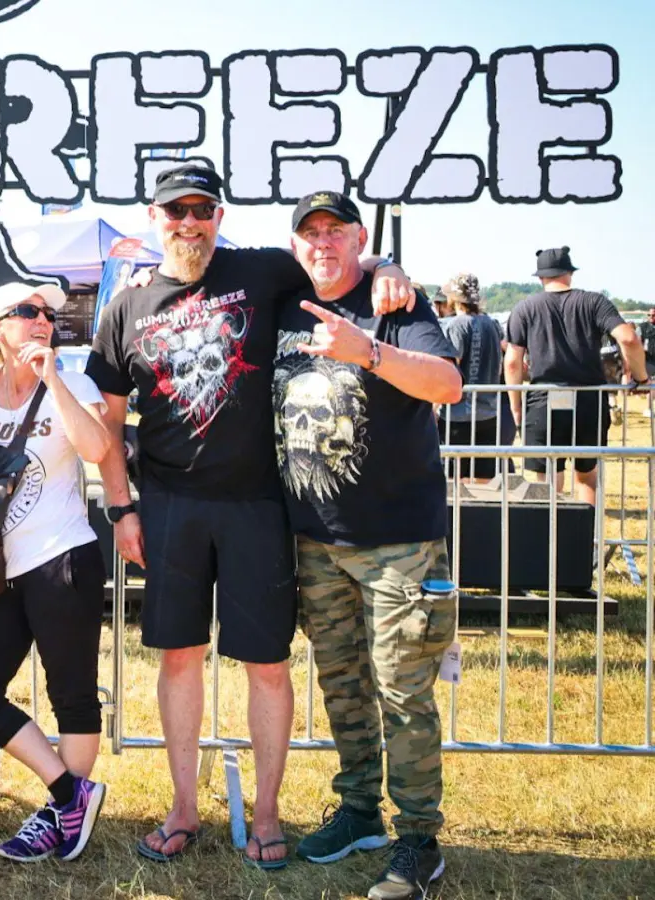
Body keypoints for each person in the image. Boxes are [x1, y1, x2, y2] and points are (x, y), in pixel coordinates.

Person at [85, 167, 413, 868]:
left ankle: (266, 816)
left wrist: (391, 266)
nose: (189, 222)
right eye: (177, 211)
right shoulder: (127, 307)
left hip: (258, 505)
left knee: (266, 663)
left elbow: (336, 264)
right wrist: (121, 509)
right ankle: (181, 809)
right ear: (155, 216)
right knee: (177, 657)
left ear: (219, 214)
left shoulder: (262, 271)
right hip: (168, 506)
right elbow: (109, 423)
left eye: (202, 209)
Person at [273, 193, 461, 899]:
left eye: (336, 231)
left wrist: (371, 351)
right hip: (318, 541)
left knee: (403, 691)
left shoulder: (397, 306)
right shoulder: (285, 302)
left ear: (360, 239)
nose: (323, 242)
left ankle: (419, 840)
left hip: (400, 543)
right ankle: (359, 811)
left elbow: (446, 384)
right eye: (310, 232)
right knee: (343, 684)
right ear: (296, 246)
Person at [0, 283, 111, 862]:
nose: (43, 321)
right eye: (28, 313)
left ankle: (62, 818)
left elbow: (96, 448)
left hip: (63, 559)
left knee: (73, 697)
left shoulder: (74, 383)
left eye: (49, 316)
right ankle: (70, 795)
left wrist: (53, 381)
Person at [503, 247, 649, 504]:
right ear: (569, 273)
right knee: (587, 476)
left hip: (542, 400)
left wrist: (516, 406)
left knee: (548, 479)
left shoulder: (524, 308)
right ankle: (587, 540)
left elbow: (513, 363)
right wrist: (642, 378)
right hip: (589, 401)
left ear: (541, 277)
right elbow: (629, 338)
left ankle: (551, 541)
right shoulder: (595, 302)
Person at [437, 274, 507, 481]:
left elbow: (450, 367)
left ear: (453, 299)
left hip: (457, 414)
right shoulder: (493, 324)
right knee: (484, 478)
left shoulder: (456, 325)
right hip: (489, 412)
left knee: (454, 481)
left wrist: (434, 405)